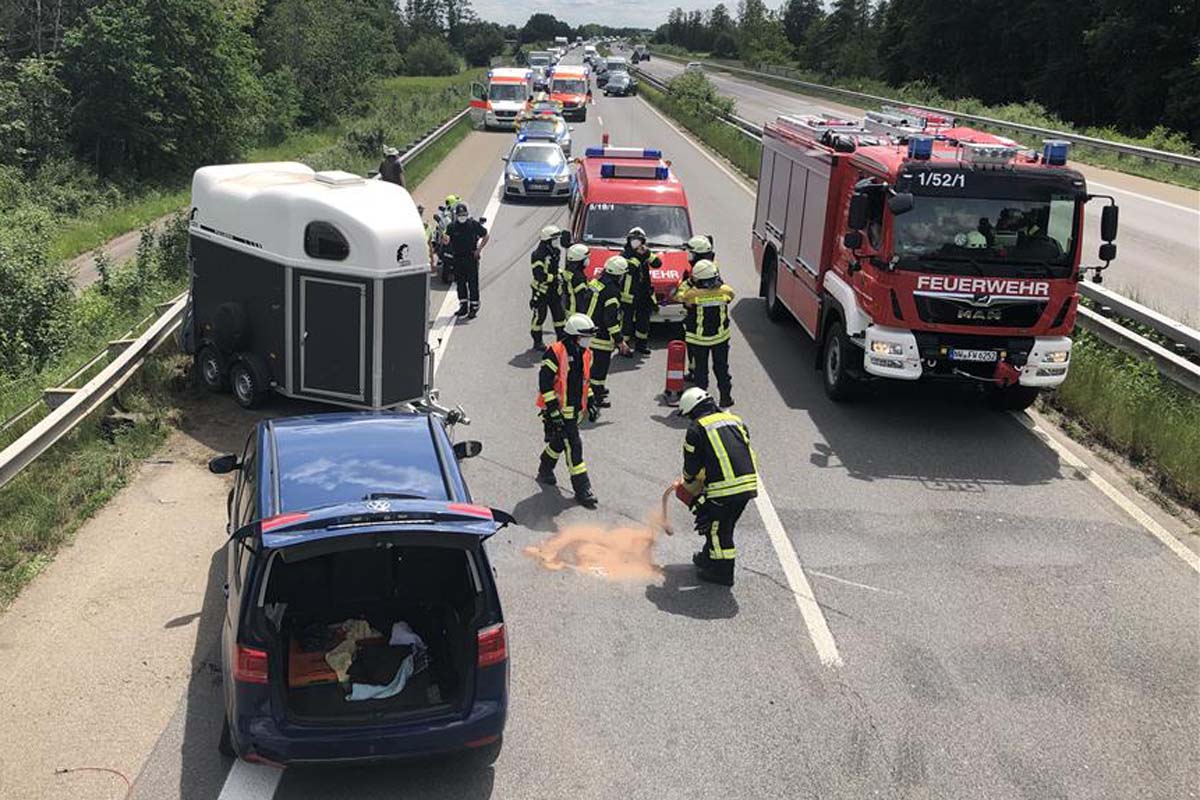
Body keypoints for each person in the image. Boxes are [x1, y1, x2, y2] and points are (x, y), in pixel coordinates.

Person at [674, 387, 759, 586]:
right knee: (722, 523)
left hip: (725, 488)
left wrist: (687, 482)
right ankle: (709, 558)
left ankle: (723, 573)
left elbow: (691, 465)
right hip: (747, 484)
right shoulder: (736, 420)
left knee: (717, 529)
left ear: (692, 410)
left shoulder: (697, 428)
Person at [536, 313, 601, 508]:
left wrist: (590, 400)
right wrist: (554, 413)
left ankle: (545, 467)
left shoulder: (586, 353)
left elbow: (583, 381)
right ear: (575, 336)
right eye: (586, 336)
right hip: (559, 410)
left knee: (560, 440)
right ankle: (582, 489)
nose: (589, 340)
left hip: (574, 409)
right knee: (574, 446)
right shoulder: (555, 352)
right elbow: (545, 384)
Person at [677, 259, 735, 407]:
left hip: (699, 340)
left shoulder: (692, 294)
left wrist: (688, 282)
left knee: (701, 373)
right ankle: (725, 398)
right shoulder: (725, 291)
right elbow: (730, 295)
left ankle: (701, 402)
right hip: (720, 339)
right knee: (722, 369)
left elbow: (679, 296)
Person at [577, 255, 629, 408]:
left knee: (589, 364)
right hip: (601, 336)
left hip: (588, 328)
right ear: (619, 275)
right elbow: (611, 320)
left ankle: (592, 390)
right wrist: (619, 340)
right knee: (600, 368)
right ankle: (596, 397)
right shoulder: (612, 292)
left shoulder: (596, 282)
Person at [677, 235, 714, 382]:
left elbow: (688, 294)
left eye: (691, 253)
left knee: (696, 348)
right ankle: (694, 371)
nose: (689, 256)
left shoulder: (703, 272)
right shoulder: (703, 268)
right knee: (692, 347)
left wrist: (685, 298)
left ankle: (698, 376)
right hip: (696, 317)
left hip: (699, 318)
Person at [441, 201, 488, 318]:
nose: (462, 217)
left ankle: (474, 306)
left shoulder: (473, 224)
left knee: (472, 283)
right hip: (457, 259)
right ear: (456, 215)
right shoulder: (452, 227)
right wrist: (444, 239)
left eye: (464, 214)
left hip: (471, 258)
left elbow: (486, 235)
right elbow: (446, 239)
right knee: (460, 283)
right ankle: (463, 306)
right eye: (460, 215)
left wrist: (479, 250)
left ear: (467, 214)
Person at [620, 226, 659, 356]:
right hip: (628, 295)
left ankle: (641, 345)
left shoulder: (645, 252)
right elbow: (631, 267)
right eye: (633, 239)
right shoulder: (624, 254)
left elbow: (657, 263)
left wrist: (648, 254)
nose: (635, 242)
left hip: (644, 294)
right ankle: (624, 347)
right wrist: (639, 256)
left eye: (638, 239)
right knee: (626, 323)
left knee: (643, 321)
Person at [529, 226, 567, 350]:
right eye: (555, 238)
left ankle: (561, 342)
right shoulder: (538, 255)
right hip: (541, 291)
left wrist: (560, 274)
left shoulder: (556, 251)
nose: (558, 241)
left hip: (555, 290)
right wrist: (554, 278)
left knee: (559, 317)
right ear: (547, 240)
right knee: (540, 317)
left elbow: (554, 268)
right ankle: (537, 341)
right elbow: (539, 275)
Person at [563, 243, 592, 316]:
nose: (588, 260)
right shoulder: (579, 278)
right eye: (587, 258)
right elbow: (581, 299)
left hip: (568, 310)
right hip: (576, 313)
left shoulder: (568, 271)